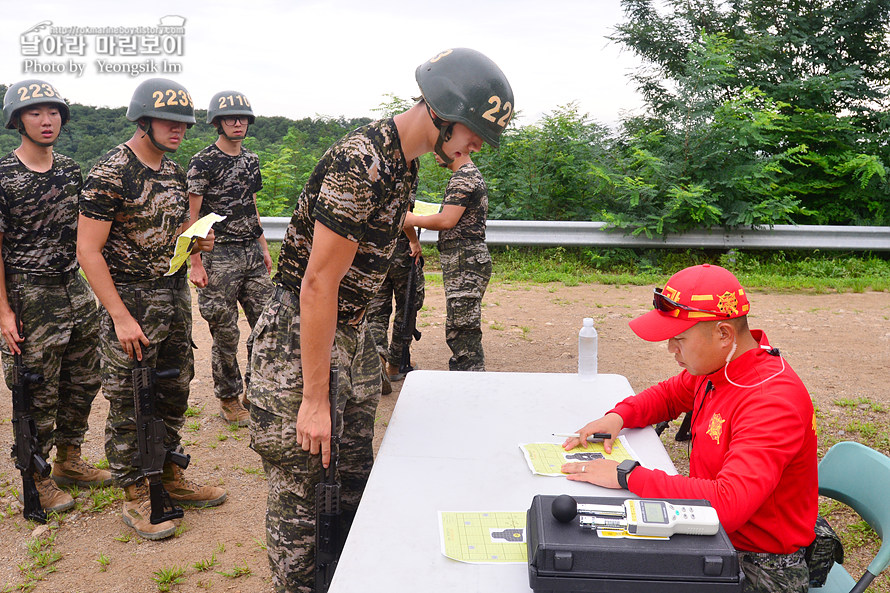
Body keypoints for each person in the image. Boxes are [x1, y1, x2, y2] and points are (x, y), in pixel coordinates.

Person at [246, 48, 514, 593]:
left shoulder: (404, 161)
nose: (476, 146)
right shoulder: (361, 162)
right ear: (445, 110)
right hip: (303, 335)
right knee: (304, 493)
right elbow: (317, 284)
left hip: (350, 333)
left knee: (350, 481)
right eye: (475, 132)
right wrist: (314, 398)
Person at [561, 264, 817, 593]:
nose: (670, 348)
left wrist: (627, 475)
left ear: (724, 334)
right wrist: (619, 417)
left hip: (756, 562)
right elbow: (669, 395)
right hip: (713, 532)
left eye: (679, 338)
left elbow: (726, 506)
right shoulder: (723, 366)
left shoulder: (771, 403)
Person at [77, 78, 225, 541]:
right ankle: (135, 491)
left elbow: (177, 225)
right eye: (169, 121)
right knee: (128, 396)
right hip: (129, 298)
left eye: (184, 122)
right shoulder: (110, 172)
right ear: (143, 120)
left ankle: (170, 472)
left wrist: (198, 240)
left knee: (173, 387)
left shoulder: (174, 171)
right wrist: (120, 316)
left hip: (172, 294)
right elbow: (88, 251)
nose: (179, 129)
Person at [0, 79, 110, 516]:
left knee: (85, 377)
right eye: (35, 113)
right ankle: (36, 476)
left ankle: (69, 459)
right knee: (35, 389)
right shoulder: (4, 176)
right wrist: (4, 310)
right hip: (30, 291)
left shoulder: (69, 169)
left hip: (73, 286)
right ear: (17, 120)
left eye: (53, 112)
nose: (47, 121)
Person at [187, 90, 273, 426]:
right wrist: (194, 262)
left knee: (266, 325)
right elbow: (191, 214)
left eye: (242, 117)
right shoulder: (203, 162)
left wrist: (264, 249)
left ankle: (259, 389)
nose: (237, 122)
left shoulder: (250, 160)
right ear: (218, 123)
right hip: (216, 254)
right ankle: (228, 398)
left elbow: (252, 205)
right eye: (230, 117)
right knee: (225, 332)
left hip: (251, 252)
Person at [405, 152, 490, 371]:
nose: (434, 152)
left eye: (438, 146)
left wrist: (410, 219)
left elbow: (446, 220)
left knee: (462, 330)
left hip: (465, 260)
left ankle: (469, 384)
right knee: (460, 326)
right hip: (464, 258)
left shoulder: (463, 177)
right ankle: (466, 381)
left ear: (456, 149)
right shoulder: (465, 175)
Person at [365, 225, 424, 392]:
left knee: (377, 312)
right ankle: (395, 365)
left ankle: (378, 358)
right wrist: (413, 240)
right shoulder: (400, 196)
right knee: (406, 308)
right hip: (401, 250)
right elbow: (404, 219)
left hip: (373, 250)